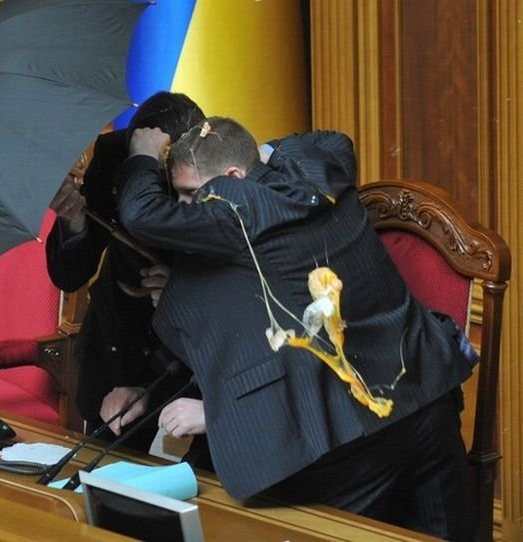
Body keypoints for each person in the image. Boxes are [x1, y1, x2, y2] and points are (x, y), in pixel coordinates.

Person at [116, 117, 478, 540]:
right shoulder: (317, 167)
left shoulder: (239, 210)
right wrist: (248, 153)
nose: (185, 211)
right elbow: (332, 138)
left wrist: (141, 155)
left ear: (234, 178)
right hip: (426, 391)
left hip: (353, 440)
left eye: (192, 195)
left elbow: (141, 213)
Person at [45, 91, 208, 456]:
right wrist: (73, 221)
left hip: (192, 350)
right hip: (119, 339)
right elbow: (69, 275)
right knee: (104, 463)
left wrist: (183, 289)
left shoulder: (214, 162)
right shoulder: (113, 157)